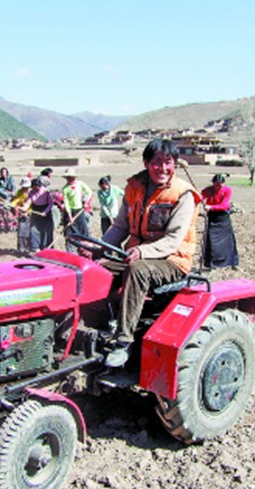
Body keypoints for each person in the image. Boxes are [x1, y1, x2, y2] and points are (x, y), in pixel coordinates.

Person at [99, 138, 201, 367]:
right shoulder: (134, 188)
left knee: (137, 270)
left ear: (175, 164)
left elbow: (173, 240)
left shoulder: (183, 194)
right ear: (146, 163)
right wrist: (98, 247)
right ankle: (99, 324)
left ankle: (123, 342)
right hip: (137, 256)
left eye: (168, 162)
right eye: (157, 162)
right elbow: (120, 226)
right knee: (99, 268)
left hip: (172, 260)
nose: (162, 168)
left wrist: (142, 251)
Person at [200, 174, 239, 269]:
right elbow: (200, 196)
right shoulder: (209, 190)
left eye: (221, 184)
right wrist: (198, 198)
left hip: (223, 217)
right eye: (217, 184)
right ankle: (212, 263)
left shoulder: (227, 190)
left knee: (228, 241)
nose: (219, 186)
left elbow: (224, 205)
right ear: (213, 183)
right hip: (212, 218)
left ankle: (232, 262)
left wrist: (211, 207)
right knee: (211, 240)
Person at [61, 168, 93, 252]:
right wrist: (70, 216)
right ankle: (71, 251)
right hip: (70, 212)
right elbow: (66, 203)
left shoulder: (80, 184)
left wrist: (85, 202)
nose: (70, 179)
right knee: (70, 233)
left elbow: (89, 192)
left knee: (83, 231)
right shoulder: (65, 188)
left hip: (79, 211)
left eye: (71, 177)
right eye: (68, 177)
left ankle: (85, 250)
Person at [26, 177, 55, 251]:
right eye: (34, 187)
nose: (36, 189)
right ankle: (35, 247)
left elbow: (51, 203)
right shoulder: (31, 192)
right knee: (34, 229)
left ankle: (46, 247)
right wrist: (24, 208)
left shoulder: (46, 192)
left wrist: (45, 212)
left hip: (45, 210)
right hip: (36, 210)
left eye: (37, 187)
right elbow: (28, 202)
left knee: (46, 230)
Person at [10, 177, 33, 252]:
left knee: (29, 232)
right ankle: (21, 247)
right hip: (22, 213)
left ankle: (29, 247)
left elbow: (33, 204)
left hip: (30, 214)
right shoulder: (20, 192)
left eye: (26, 187)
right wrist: (13, 204)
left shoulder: (32, 193)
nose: (25, 189)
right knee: (21, 231)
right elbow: (17, 199)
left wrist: (28, 212)